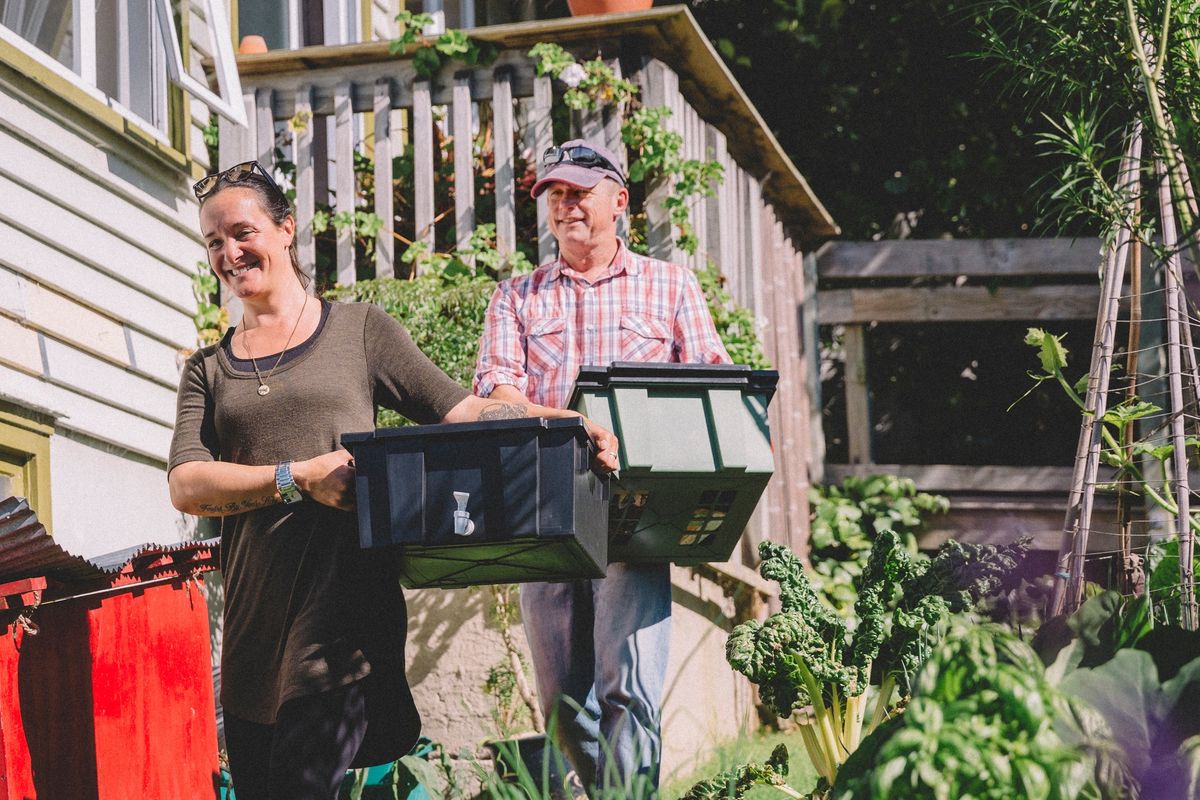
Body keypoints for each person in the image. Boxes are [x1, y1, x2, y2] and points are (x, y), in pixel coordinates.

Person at [168, 161, 619, 800]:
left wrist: (565, 420)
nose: (229, 253)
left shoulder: (358, 332)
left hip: (344, 610)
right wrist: (298, 477)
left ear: (286, 230)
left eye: (242, 232)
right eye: (213, 242)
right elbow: (187, 483)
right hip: (252, 628)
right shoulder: (208, 370)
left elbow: (462, 411)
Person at [473, 140, 731, 795]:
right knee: (565, 707)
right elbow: (498, 397)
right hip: (548, 508)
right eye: (555, 194)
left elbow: (714, 383)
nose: (567, 206)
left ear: (619, 200)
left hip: (636, 511)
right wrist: (566, 422)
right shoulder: (516, 297)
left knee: (630, 689)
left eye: (580, 191)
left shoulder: (670, 286)